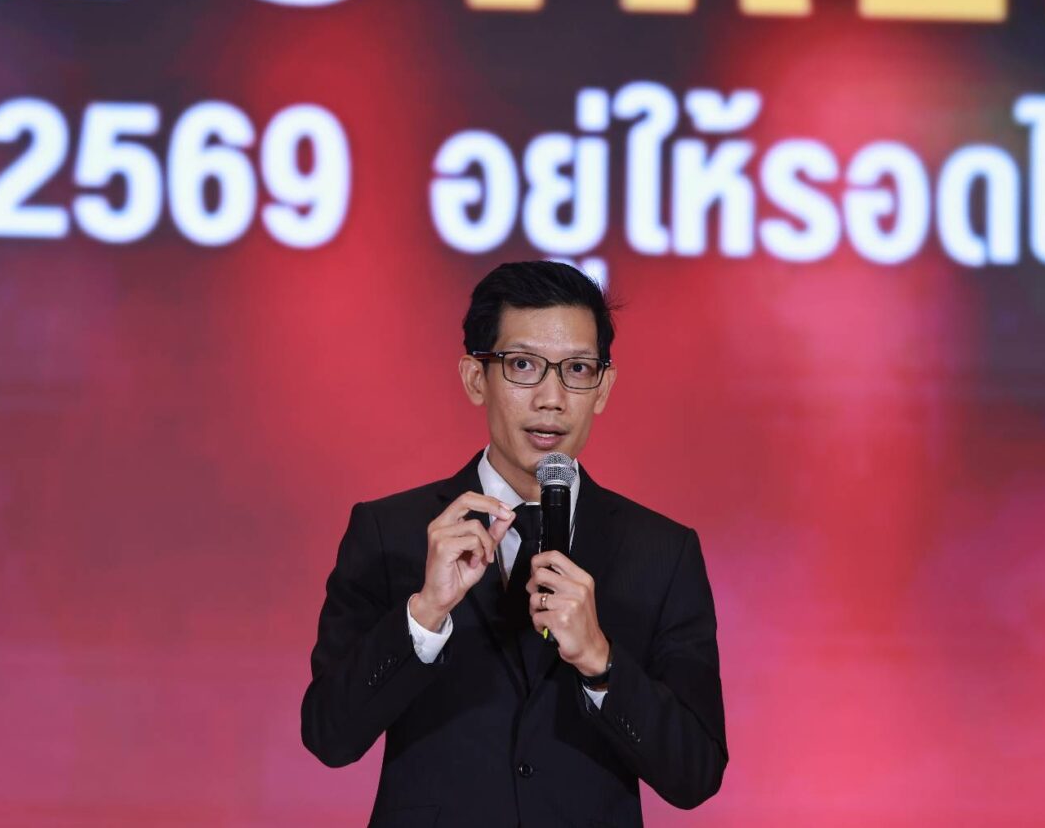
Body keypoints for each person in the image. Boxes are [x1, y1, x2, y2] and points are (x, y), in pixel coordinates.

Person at [301, 261, 726, 827]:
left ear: (603, 388)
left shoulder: (662, 553)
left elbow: (696, 775)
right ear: (475, 378)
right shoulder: (391, 532)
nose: (552, 398)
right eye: (523, 365)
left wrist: (600, 662)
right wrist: (424, 615)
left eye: (578, 369)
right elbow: (329, 736)